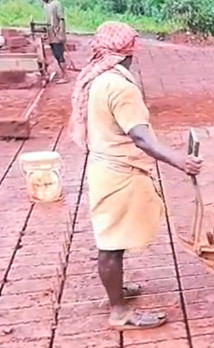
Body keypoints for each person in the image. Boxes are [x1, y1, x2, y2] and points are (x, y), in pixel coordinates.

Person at [68, 21, 203, 330]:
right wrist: (179, 161)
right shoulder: (119, 86)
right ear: (128, 52)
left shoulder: (100, 78)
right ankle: (118, 312)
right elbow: (141, 138)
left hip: (106, 167)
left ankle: (118, 291)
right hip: (117, 173)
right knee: (111, 243)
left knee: (112, 238)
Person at [42, 0, 69, 83]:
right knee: (56, 55)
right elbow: (48, 22)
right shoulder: (46, 6)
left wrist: (60, 34)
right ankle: (62, 74)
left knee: (59, 55)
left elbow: (61, 20)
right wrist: (46, 33)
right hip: (51, 35)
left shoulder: (57, 4)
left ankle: (65, 76)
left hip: (57, 35)